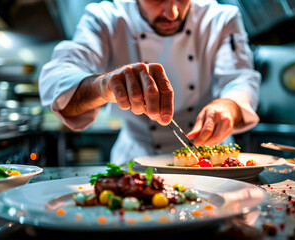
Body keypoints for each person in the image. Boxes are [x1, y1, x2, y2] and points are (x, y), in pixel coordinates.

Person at [39, 0, 261, 165]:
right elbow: (59, 80)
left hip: (213, 162)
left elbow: (240, 78)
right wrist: (103, 86)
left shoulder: (221, 18)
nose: (172, 12)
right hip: (137, 162)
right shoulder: (106, 18)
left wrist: (228, 106)